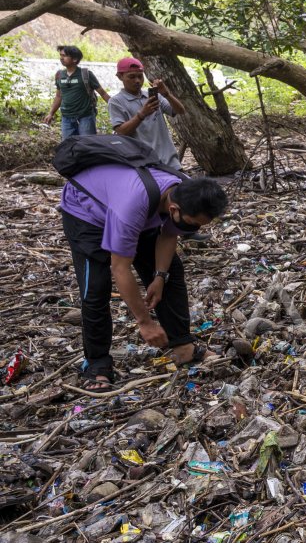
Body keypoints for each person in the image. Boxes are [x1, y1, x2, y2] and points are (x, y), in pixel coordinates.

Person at [61, 162, 228, 393]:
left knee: (172, 270)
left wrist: (159, 277)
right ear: (173, 210)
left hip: (139, 208)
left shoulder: (185, 190)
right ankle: (97, 363)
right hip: (88, 213)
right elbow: (120, 267)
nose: (193, 229)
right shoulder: (131, 208)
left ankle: (183, 345)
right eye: (192, 224)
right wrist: (145, 323)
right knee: (96, 287)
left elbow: (169, 234)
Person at [108, 57, 187, 170]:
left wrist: (167, 94)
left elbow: (180, 111)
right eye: (132, 77)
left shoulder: (154, 96)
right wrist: (142, 114)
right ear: (120, 76)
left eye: (140, 76)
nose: (137, 81)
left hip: (170, 161)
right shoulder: (116, 102)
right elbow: (121, 131)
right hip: (144, 164)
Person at [42, 45, 110, 139]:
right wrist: (51, 113)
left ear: (75, 59)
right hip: (66, 118)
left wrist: (115, 108)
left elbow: (102, 93)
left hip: (85, 117)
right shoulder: (59, 75)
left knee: (87, 146)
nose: (61, 58)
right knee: (68, 146)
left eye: (64, 56)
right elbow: (58, 96)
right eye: (60, 55)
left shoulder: (86, 74)